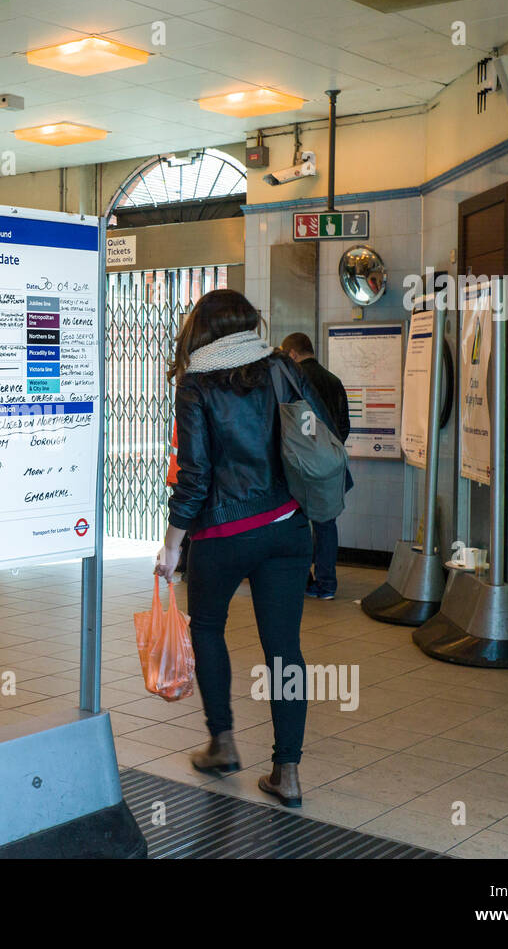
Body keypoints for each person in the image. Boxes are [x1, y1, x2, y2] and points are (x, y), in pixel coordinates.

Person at [154, 290, 339, 809]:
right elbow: (317, 431)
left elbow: (194, 475)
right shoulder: (281, 367)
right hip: (285, 529)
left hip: (222, 535)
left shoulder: (195, 384)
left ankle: (224, 742)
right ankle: (288, 772)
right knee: (284, 648)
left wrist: (172, 546)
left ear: (202, 330)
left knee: (208, 628)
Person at [280, 332, 351, 600]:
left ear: (292, 354)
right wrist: (329, 450)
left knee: (296, 522)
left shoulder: (294, 382)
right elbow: (344, 425)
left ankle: (301, 580)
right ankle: (326, 584)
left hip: (297, 465)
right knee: (326, 523)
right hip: (329, 463)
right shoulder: (334, 381)